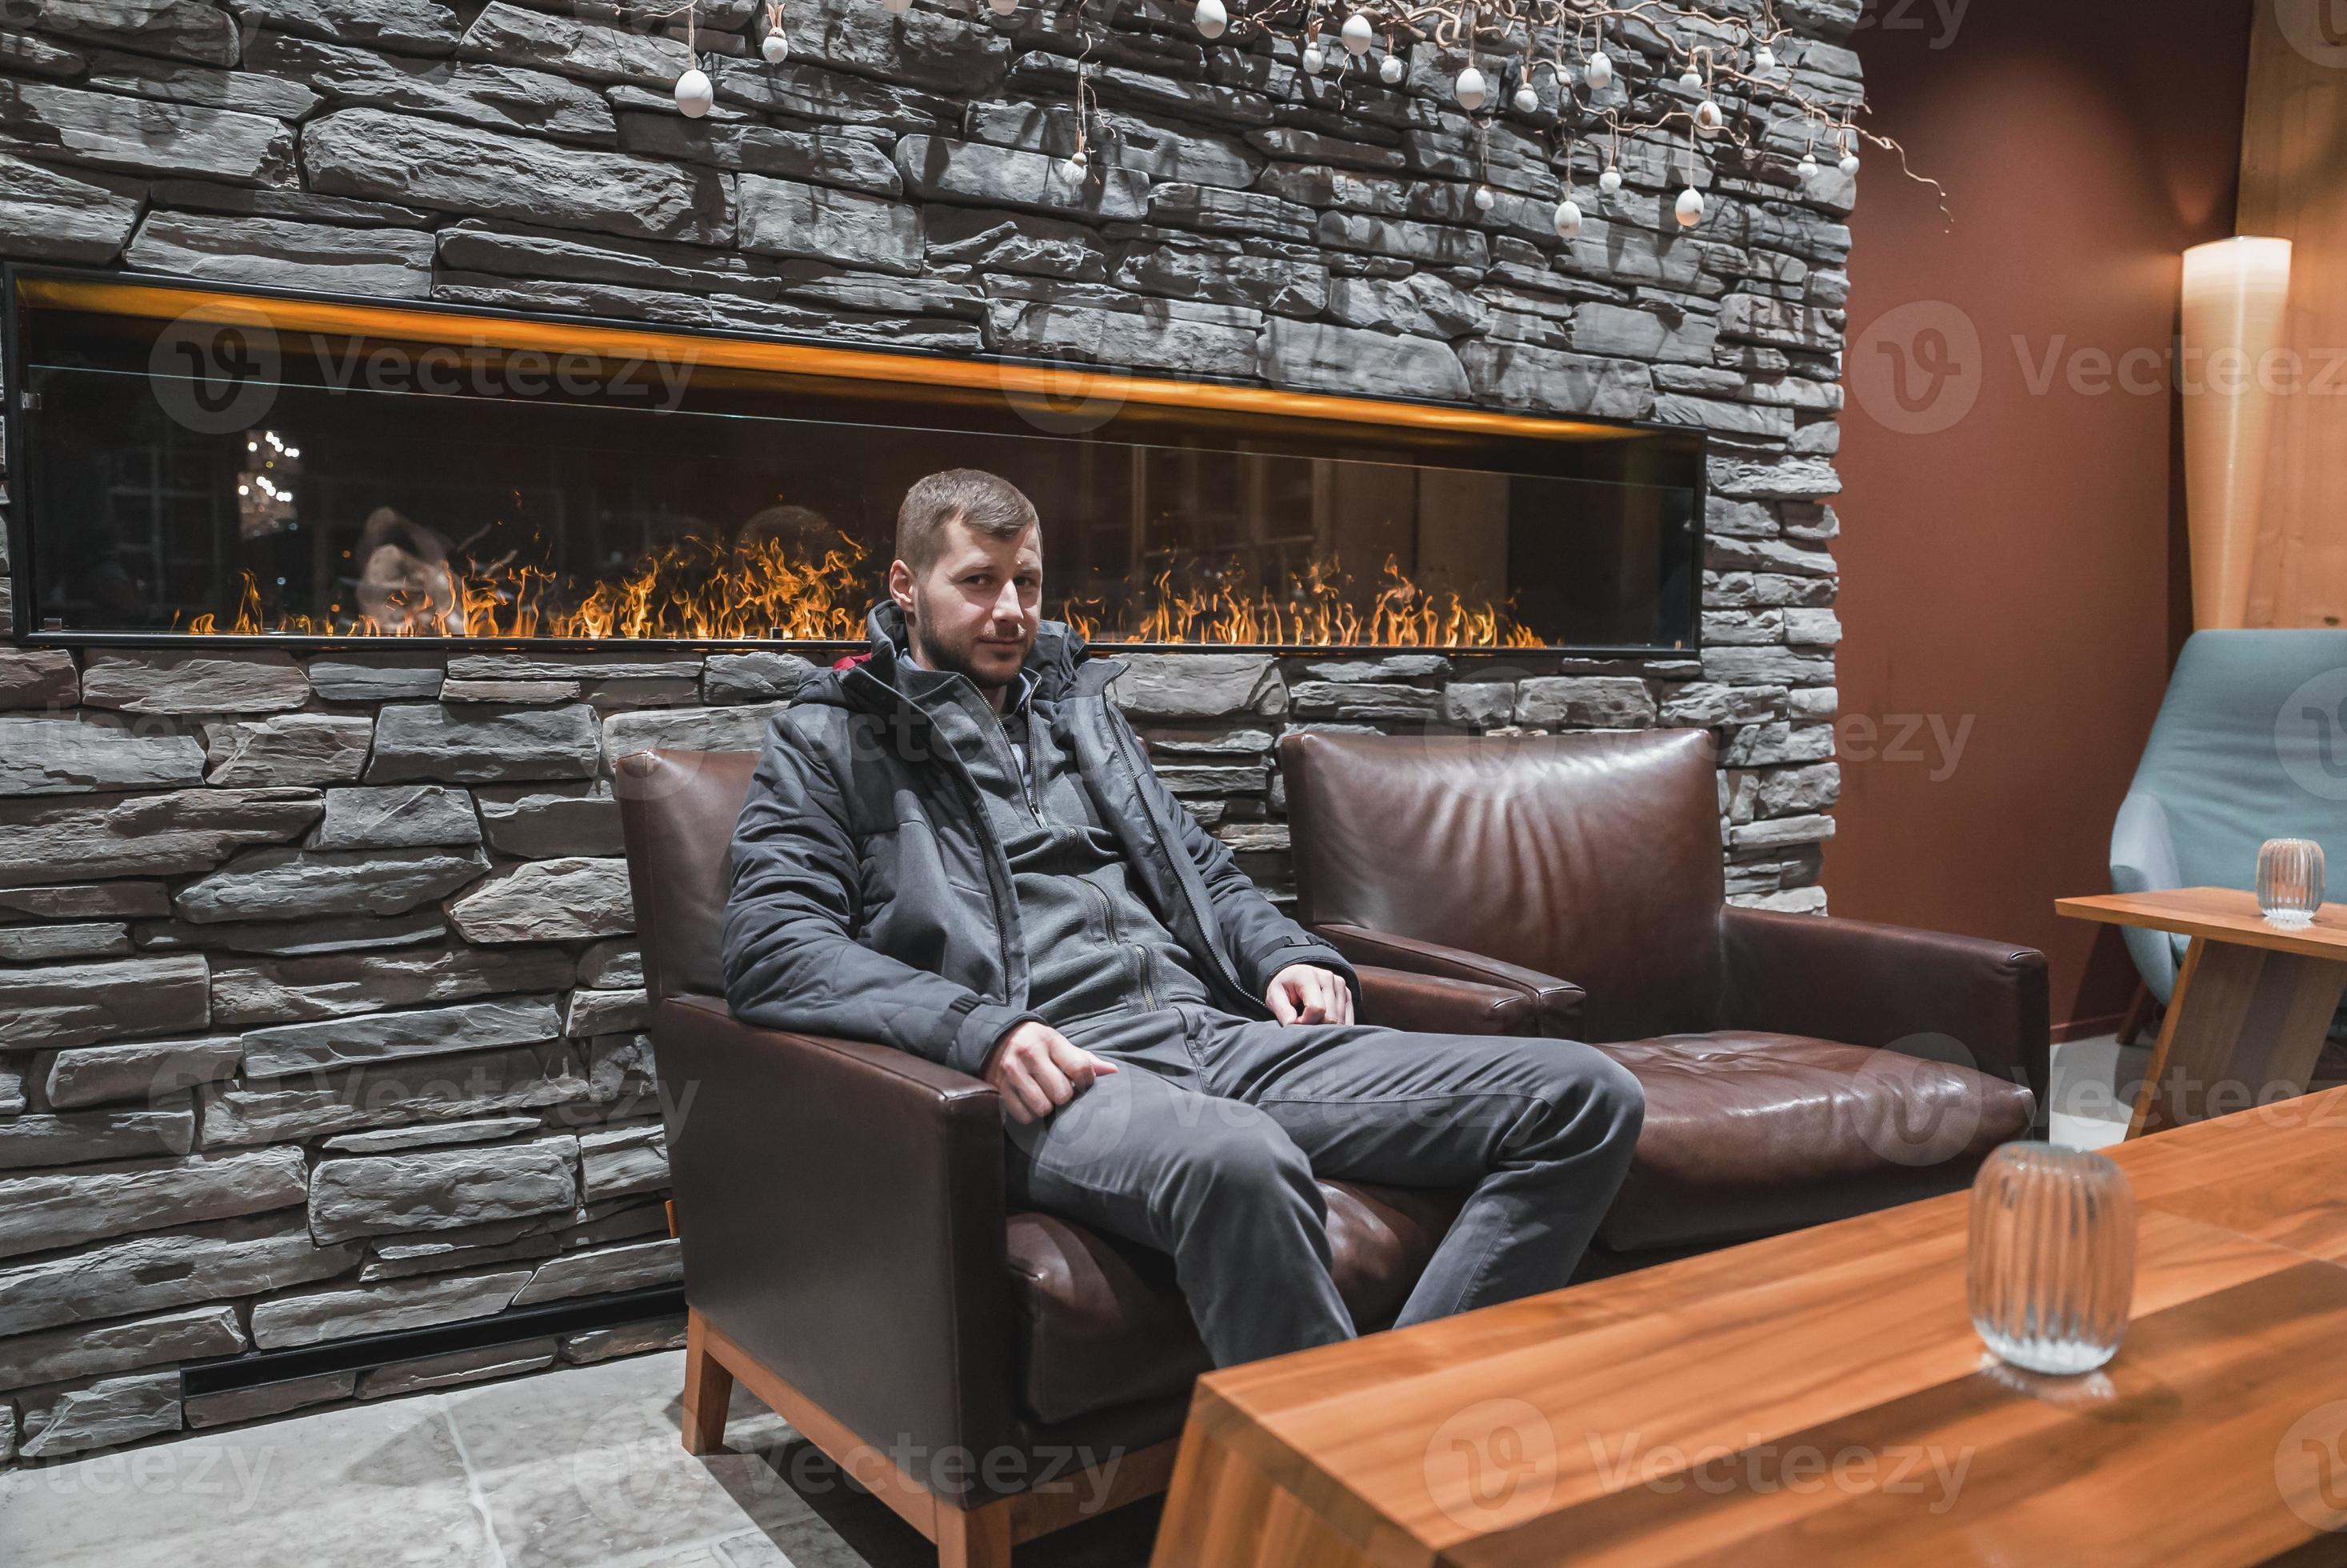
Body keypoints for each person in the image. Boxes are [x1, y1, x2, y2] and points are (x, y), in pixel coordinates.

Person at [722, 469, 1643, 1368]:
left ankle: (1399, 1421)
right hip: (1063, 1072)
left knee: (1585, 1098)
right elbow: (774, 949)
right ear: (905, 585)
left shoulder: (1078, 711)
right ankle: (1333, 1496)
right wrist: (982, 1030)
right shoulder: (833, 737)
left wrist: (1286, 953)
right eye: (978, 582)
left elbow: (1199, 865)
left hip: (1213, 1029)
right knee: (1240, 1160)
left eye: (1027, 582)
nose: (1010, 610)